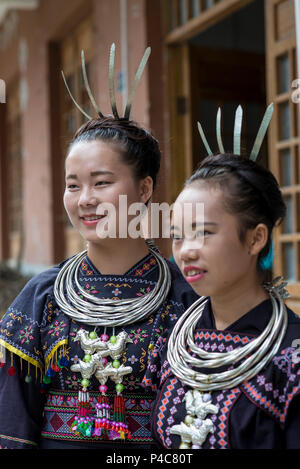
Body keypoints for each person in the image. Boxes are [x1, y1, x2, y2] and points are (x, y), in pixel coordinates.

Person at [0, 47, 199, 449]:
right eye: (73, 185)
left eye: (102, 182)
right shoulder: (41, 296)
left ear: (144, 189)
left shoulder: (186, 297)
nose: (85, 199)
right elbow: (11, 422)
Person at [144, 113, 300, 449]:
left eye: (203, 233)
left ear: (256, 239)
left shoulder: (291, 355)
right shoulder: (175, 339)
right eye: (177, 236)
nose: (185, 252)